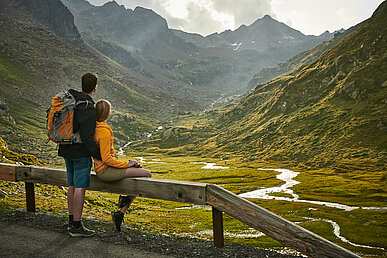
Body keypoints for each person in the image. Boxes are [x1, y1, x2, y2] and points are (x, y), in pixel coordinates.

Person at [93, 99, 151, 231]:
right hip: (105, 171)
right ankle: (124, 204)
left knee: (138, 168)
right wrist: (127, 164)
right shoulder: (104, 132)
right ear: (107, 113)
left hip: (103, 168)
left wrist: (128, 165)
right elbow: (107, 158)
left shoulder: (96, 127)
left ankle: (121, 210)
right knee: (146, 174)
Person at [58, 72, 101, 237]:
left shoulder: (72, 101)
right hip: (80, 153)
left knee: (71, 185)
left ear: (82, 84)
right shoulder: (88, 107)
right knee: (80, 188)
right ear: (95, 87)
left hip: (66, 148)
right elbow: (87, 136)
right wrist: (98, 155)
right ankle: (77, 225)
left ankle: (71, 220)